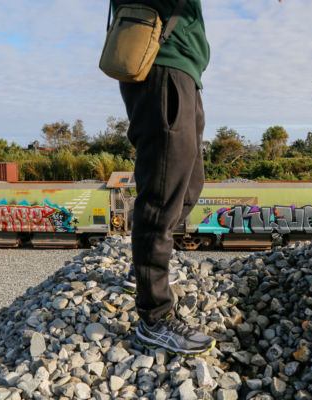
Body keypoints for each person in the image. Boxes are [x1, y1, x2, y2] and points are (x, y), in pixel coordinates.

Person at [110, 0, 215, 356]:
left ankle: (145, 270)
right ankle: (154, 316)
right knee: (161, 191)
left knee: (189, 185)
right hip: (161, 62)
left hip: (183, 68)